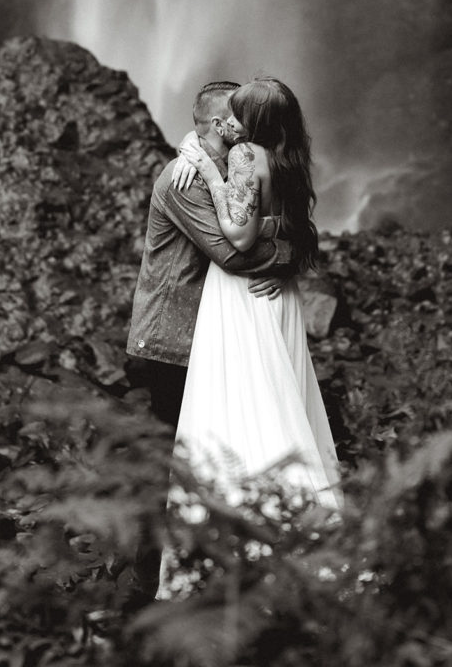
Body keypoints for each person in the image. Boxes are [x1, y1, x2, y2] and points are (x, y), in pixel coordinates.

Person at [159, 77, 342, 595]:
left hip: (241, 298)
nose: (229, 122)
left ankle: (239, 553)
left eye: (239, 113)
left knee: (236, 404)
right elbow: (294, 229)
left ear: (254, 121)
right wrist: (280, 241)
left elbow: (235, 236)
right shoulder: (289, 158)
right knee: (282, 400)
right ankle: (303, 537)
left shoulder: (243, 157)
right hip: (279, 297)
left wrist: (208, 174)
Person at [124, 80, 294, 610]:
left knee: (205, 459)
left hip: (201, 340)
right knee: (170, 467)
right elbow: (231, 255)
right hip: (167, 343)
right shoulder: (184, 180)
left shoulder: (221, 169)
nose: (241, 125)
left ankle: (202, 583)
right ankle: (143, 593)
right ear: (211, 124)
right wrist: (290, 255)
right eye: (232, 118)